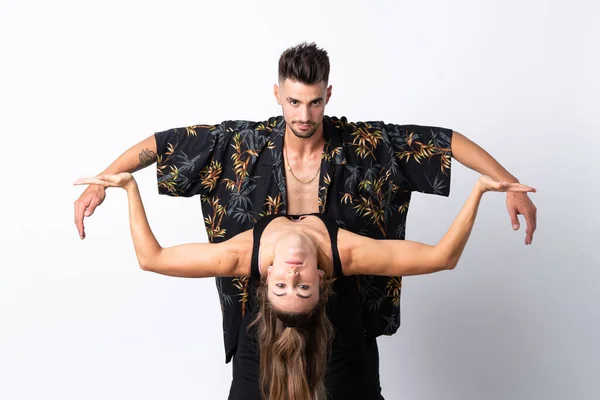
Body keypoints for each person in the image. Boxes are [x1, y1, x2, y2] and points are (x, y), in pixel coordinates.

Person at [73, 42, 538, 398]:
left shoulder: (364, 145)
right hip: (262, 321)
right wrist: (105, 181)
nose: (304, 114)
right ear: (278, 94)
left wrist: (506, 183)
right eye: (294, 102)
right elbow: (162, 145)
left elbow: (442, 142)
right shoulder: (241, 146)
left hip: (344, 317)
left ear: (328, 95)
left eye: (314, 102)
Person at [73, 172, 535, 400]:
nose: (293, 275)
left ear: (265, 279)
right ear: (322, 282)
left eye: (284, 287)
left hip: (340, 349)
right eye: (302, 287)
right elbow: (441, 257)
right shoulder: (343, 255)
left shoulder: (241, 258)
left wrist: (129, 189)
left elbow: (151, 258)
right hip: (289, 346)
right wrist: (477, 193)